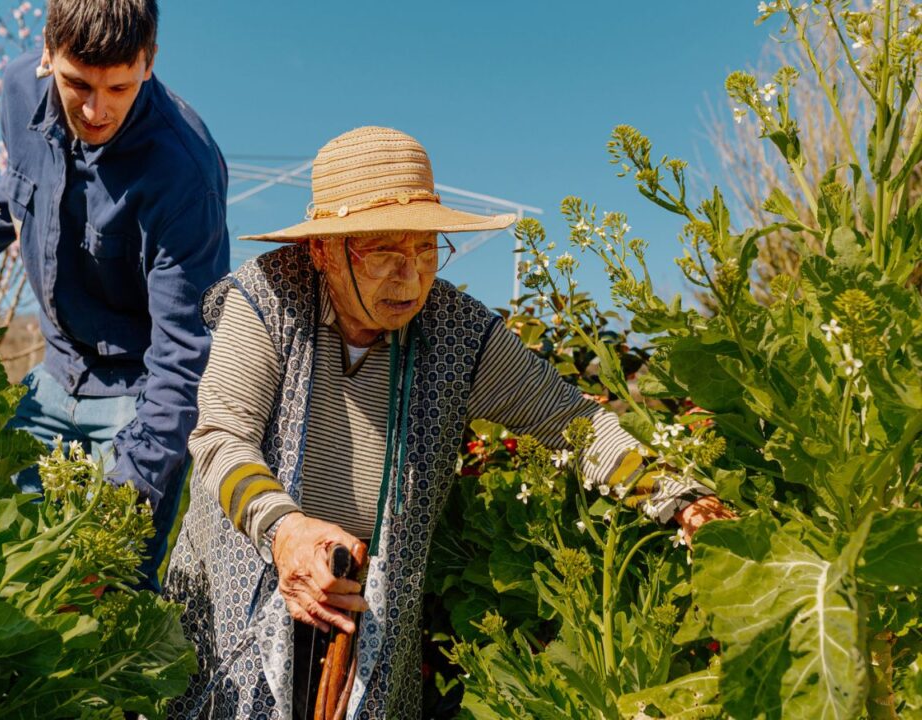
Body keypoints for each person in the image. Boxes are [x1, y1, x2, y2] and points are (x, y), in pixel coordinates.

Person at [164, 126, 733, 719]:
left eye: (426, 251)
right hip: (247, 586)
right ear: (323, 251)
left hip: (366, 616)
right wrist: (285, 531)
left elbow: (570, 419)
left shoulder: (457, 331)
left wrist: (681, 498)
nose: (411, 279)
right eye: (384, 254)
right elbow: (222, 436)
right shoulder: (266, 299)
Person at [0, 0, 230, 589]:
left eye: (119, 87)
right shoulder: (19, 90)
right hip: (54, 372)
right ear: (48, 55)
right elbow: (13, 195)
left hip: (138, 395)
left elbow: (183, 358)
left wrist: (128, 495)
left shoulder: (184, 172)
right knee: (1, 571)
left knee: (102, 593)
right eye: (78, 84)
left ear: (149, 62)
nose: (96, 111)